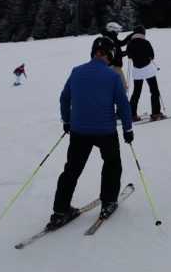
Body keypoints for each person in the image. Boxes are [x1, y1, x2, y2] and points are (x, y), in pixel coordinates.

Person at [48, 37, 133, 229]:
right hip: (105, 131)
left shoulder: (77, 72)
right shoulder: (112, 77)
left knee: (72, 170)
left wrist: (67, 121)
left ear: (94, 52)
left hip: (79, 131)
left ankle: (60, 211)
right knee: (112, 164)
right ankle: (109, 201)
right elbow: (123, 105)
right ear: (109, 54)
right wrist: (128, 129)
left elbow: (64, 99)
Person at [124, 26, 164, 121]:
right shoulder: (146, 42)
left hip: (137, 71)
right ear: (143, 33)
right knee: (154, 91)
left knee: (136, 92)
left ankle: (132, 114)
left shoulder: (130, 43)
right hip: (148, 70)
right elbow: (152, 56)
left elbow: (129, 56)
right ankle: (156, 113)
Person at [101, 22, 131, 93]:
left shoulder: (111, 38)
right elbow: (115, 53)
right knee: (123, 88)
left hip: (113, 66)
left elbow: (120, 44)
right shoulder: (108, 39)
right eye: (117, 31)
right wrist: (125, 52)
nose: (118, 33)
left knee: (117, 88)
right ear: (112, 31)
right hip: (113, 67)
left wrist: (126, 52)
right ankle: (121, 103)